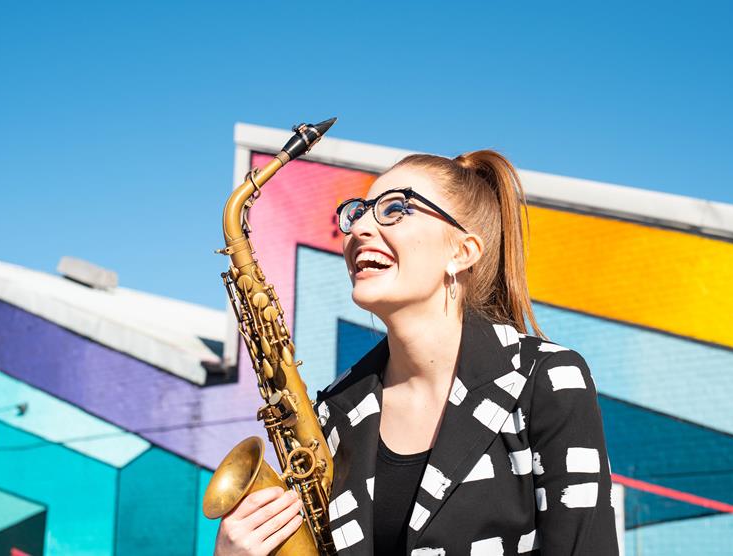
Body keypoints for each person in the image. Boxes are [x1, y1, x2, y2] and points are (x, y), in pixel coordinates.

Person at [215, 151, 619, 555]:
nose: (360, 228)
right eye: (358, 213)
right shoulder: (332, 411)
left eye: (397, 208)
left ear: (463, 251)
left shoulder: (546, 379)